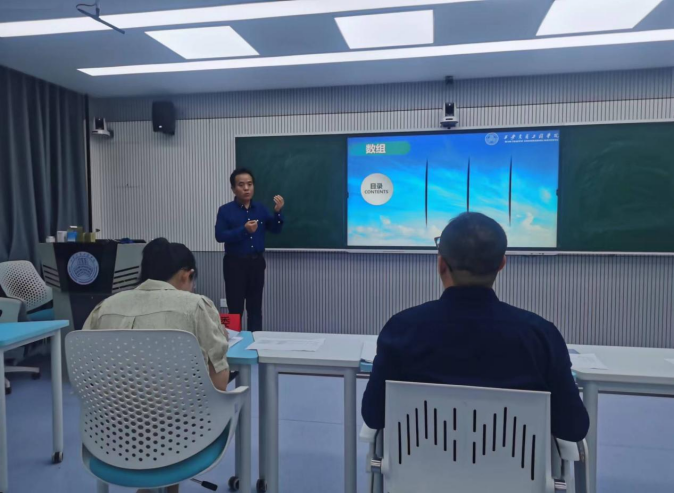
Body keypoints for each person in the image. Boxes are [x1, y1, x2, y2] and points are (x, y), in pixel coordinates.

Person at [361, 212, 589, 442]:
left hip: (418, 465)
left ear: (441, 264)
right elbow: (573, 427)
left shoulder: (401, 329)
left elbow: (374, 415)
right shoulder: (540, 335)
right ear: (502, 264)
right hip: (509, 465)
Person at [83, 238, 230, 391]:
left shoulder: (104, 307)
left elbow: (85, 370)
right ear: (186, 275)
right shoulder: (197, 306)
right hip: (181, 406)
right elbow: (219, 383)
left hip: (113, 405)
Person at [215, 168, 284, 332]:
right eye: (241, 185)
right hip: (234, 264)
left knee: (255, 308)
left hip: (256, 263)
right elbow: (220, 235)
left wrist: (277, 213)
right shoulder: (225, 210)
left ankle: (255, 341)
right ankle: (233, 342)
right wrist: (244, 230)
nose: (246, 188)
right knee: (235, 308)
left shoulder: (260, 209)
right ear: (233, 189)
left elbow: (275, 229)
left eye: (250, 184)